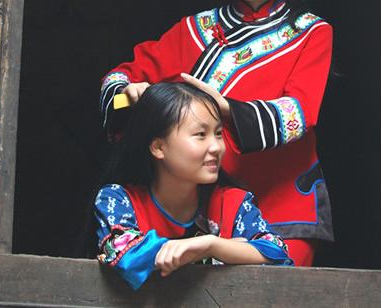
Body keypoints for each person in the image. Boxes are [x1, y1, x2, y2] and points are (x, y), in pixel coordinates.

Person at [100, 0, 333, 266]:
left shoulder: (311, 34)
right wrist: (130, 96)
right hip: (203, 207)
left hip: (281, 206)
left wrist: (227, 109)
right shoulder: (196, 28)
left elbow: (299, 113)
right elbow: (119, 78)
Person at [94, 82, 291, 290]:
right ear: (158, 147)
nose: (216, 147)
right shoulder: (118, 199)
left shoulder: (233, 203)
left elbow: (277, 252)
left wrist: (211, 245)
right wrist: (234, 248)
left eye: (218, 133)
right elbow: (126, 254)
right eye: (200, 135)